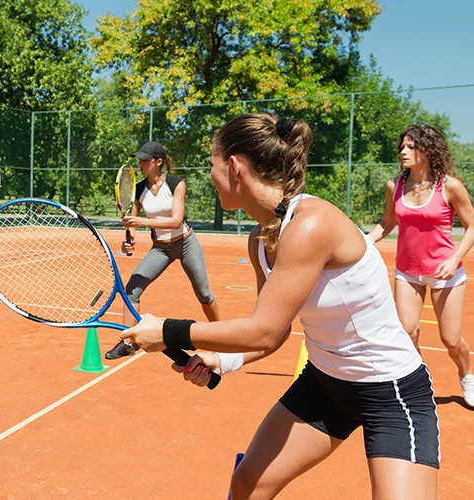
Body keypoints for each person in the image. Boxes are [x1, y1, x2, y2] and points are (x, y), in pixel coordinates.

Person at [121, 114, 439, 499]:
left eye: (212, 165)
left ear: (235, 167)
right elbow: (275, 332)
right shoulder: (260, 241)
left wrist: (167, 330)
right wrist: (223, 360)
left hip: (391, 394)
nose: (210, 175)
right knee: (248, 485)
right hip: (325, 385)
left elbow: (264, 330)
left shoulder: (310, 224)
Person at [368, 124, 474, 408]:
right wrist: (364, 242)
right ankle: (416, 384)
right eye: (402, 146)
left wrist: (454, 260)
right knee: (407, 331)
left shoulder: (449, 186)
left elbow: (472, 225)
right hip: (407, 272)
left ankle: (466, 374)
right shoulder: (395, 186)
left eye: (411, 146)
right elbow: (387, 224)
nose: (403, 151)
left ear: (427, 151)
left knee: (451, 340)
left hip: (444, 272)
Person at [104, 141, 220, 359]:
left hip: (186, 244)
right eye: (139, 159)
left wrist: (142, 223)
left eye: (145, 160)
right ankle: (127, 342)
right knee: (132, 290)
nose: (140, 163)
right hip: (161, 249)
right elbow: (132, 222)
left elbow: (176, 221)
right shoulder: (139, 189)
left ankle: (222, 336)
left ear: (158, 162)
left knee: (204, 294)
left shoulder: (176, 184)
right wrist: (129, 241)